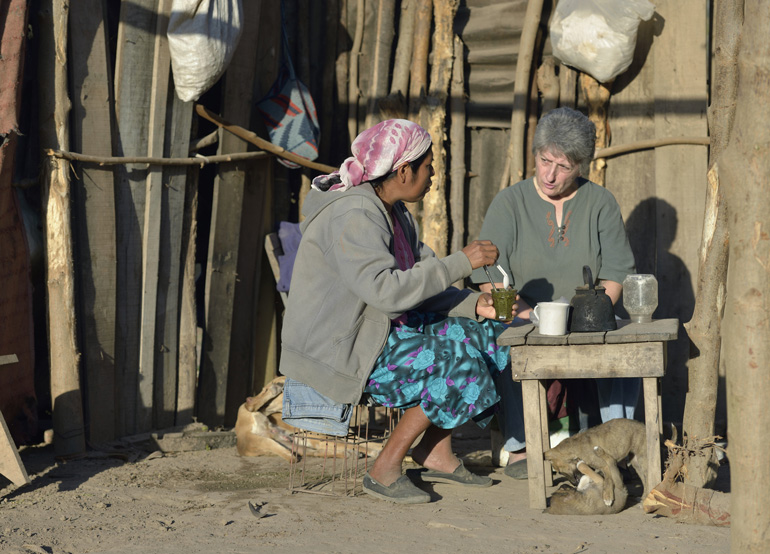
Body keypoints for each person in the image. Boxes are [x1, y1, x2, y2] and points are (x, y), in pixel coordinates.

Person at [280, 119, 511, 504]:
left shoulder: (395, 213)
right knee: (456, 363)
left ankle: (434, 451)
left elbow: (421, 286)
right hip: (346, 344)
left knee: (487, 339)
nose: (434, 174)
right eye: (429, 166)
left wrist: (475, 305)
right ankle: (384, 467)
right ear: (403, 170)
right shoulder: (354, 215)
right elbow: (387, 292)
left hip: (380, 328)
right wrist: (461, 262)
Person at [471, 107, 637, 480]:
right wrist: (532, 315)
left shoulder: (600, 202)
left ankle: (619, 446)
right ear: (535, 154)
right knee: (505, 340)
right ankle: (521, 446)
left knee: (627, 349)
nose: (550, 174)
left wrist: (591, 316)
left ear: (581, 166)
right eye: (545, 160)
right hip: (523, 314)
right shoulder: (509, 203)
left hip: (589, 317)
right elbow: (488, 273)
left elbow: (616, 272)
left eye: (563, 166)